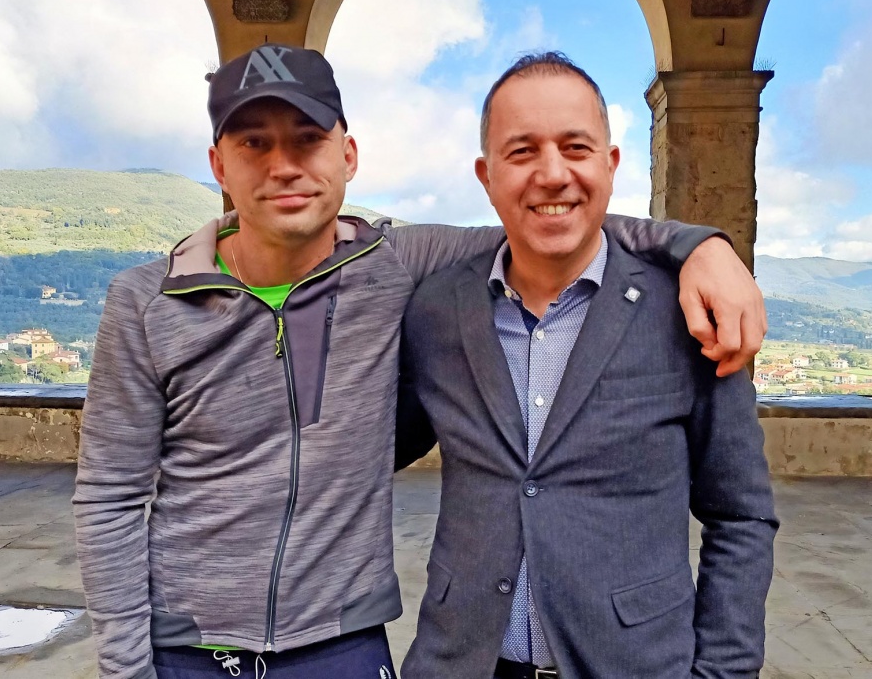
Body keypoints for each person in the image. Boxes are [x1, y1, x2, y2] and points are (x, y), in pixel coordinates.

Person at [72, 44, 767, 679]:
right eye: (254, 142)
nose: (283, 165)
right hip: (189, 646)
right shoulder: (146, 302)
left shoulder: (399, 266)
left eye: (308, 139)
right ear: (219, 164)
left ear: (348, 155)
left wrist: (703, 245)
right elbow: (108, 497)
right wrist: (126, 668)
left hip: (343, 642)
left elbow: (551, 217)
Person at [398, 52, 778, 679]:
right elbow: (376, 444)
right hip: (460, 661)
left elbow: (740, 515)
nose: (552, 174)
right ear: (486, 175)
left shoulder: (686, 313)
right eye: (522, 151)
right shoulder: (437, 310)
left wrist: (723, 672)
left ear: (611, 164)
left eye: (575, 147)